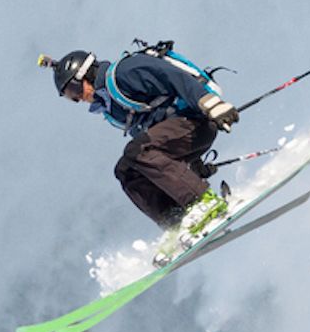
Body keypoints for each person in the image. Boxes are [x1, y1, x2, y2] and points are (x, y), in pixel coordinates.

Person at [42, 41, 240, 248]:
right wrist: (192, 166)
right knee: (127, 170)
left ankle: (203, 201)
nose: (78, 98)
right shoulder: (113, 109)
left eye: (75, 89)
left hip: (198, 121)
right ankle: (177, 221)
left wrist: (211, 104)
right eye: (71, 97)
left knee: (138, 150)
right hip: (184, 135)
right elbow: (158, 144)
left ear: (86, 73)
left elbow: (171, 76)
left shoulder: (124, 72)